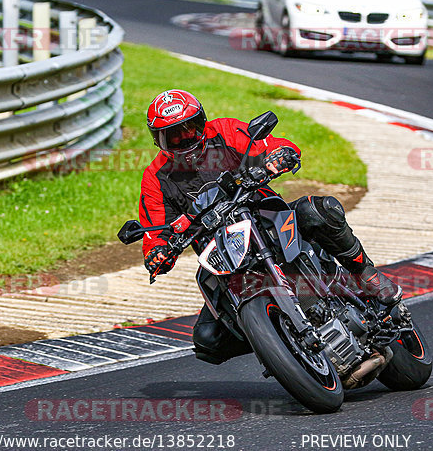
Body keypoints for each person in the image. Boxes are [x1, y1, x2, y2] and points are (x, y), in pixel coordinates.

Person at [139, 89, 403, 364]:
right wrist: (158, 254)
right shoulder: (155, 178)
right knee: (208, 340)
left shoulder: (225, 132)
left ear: (202, 122)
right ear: (158, 141)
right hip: (222, 252)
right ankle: (279, 341)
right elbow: (156, 233)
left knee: (317, 210)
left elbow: (271, 144)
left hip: (264, 217)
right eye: (173, 136)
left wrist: (279, 155)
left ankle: (364, 273)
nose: (184, 139)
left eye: (189, 129)